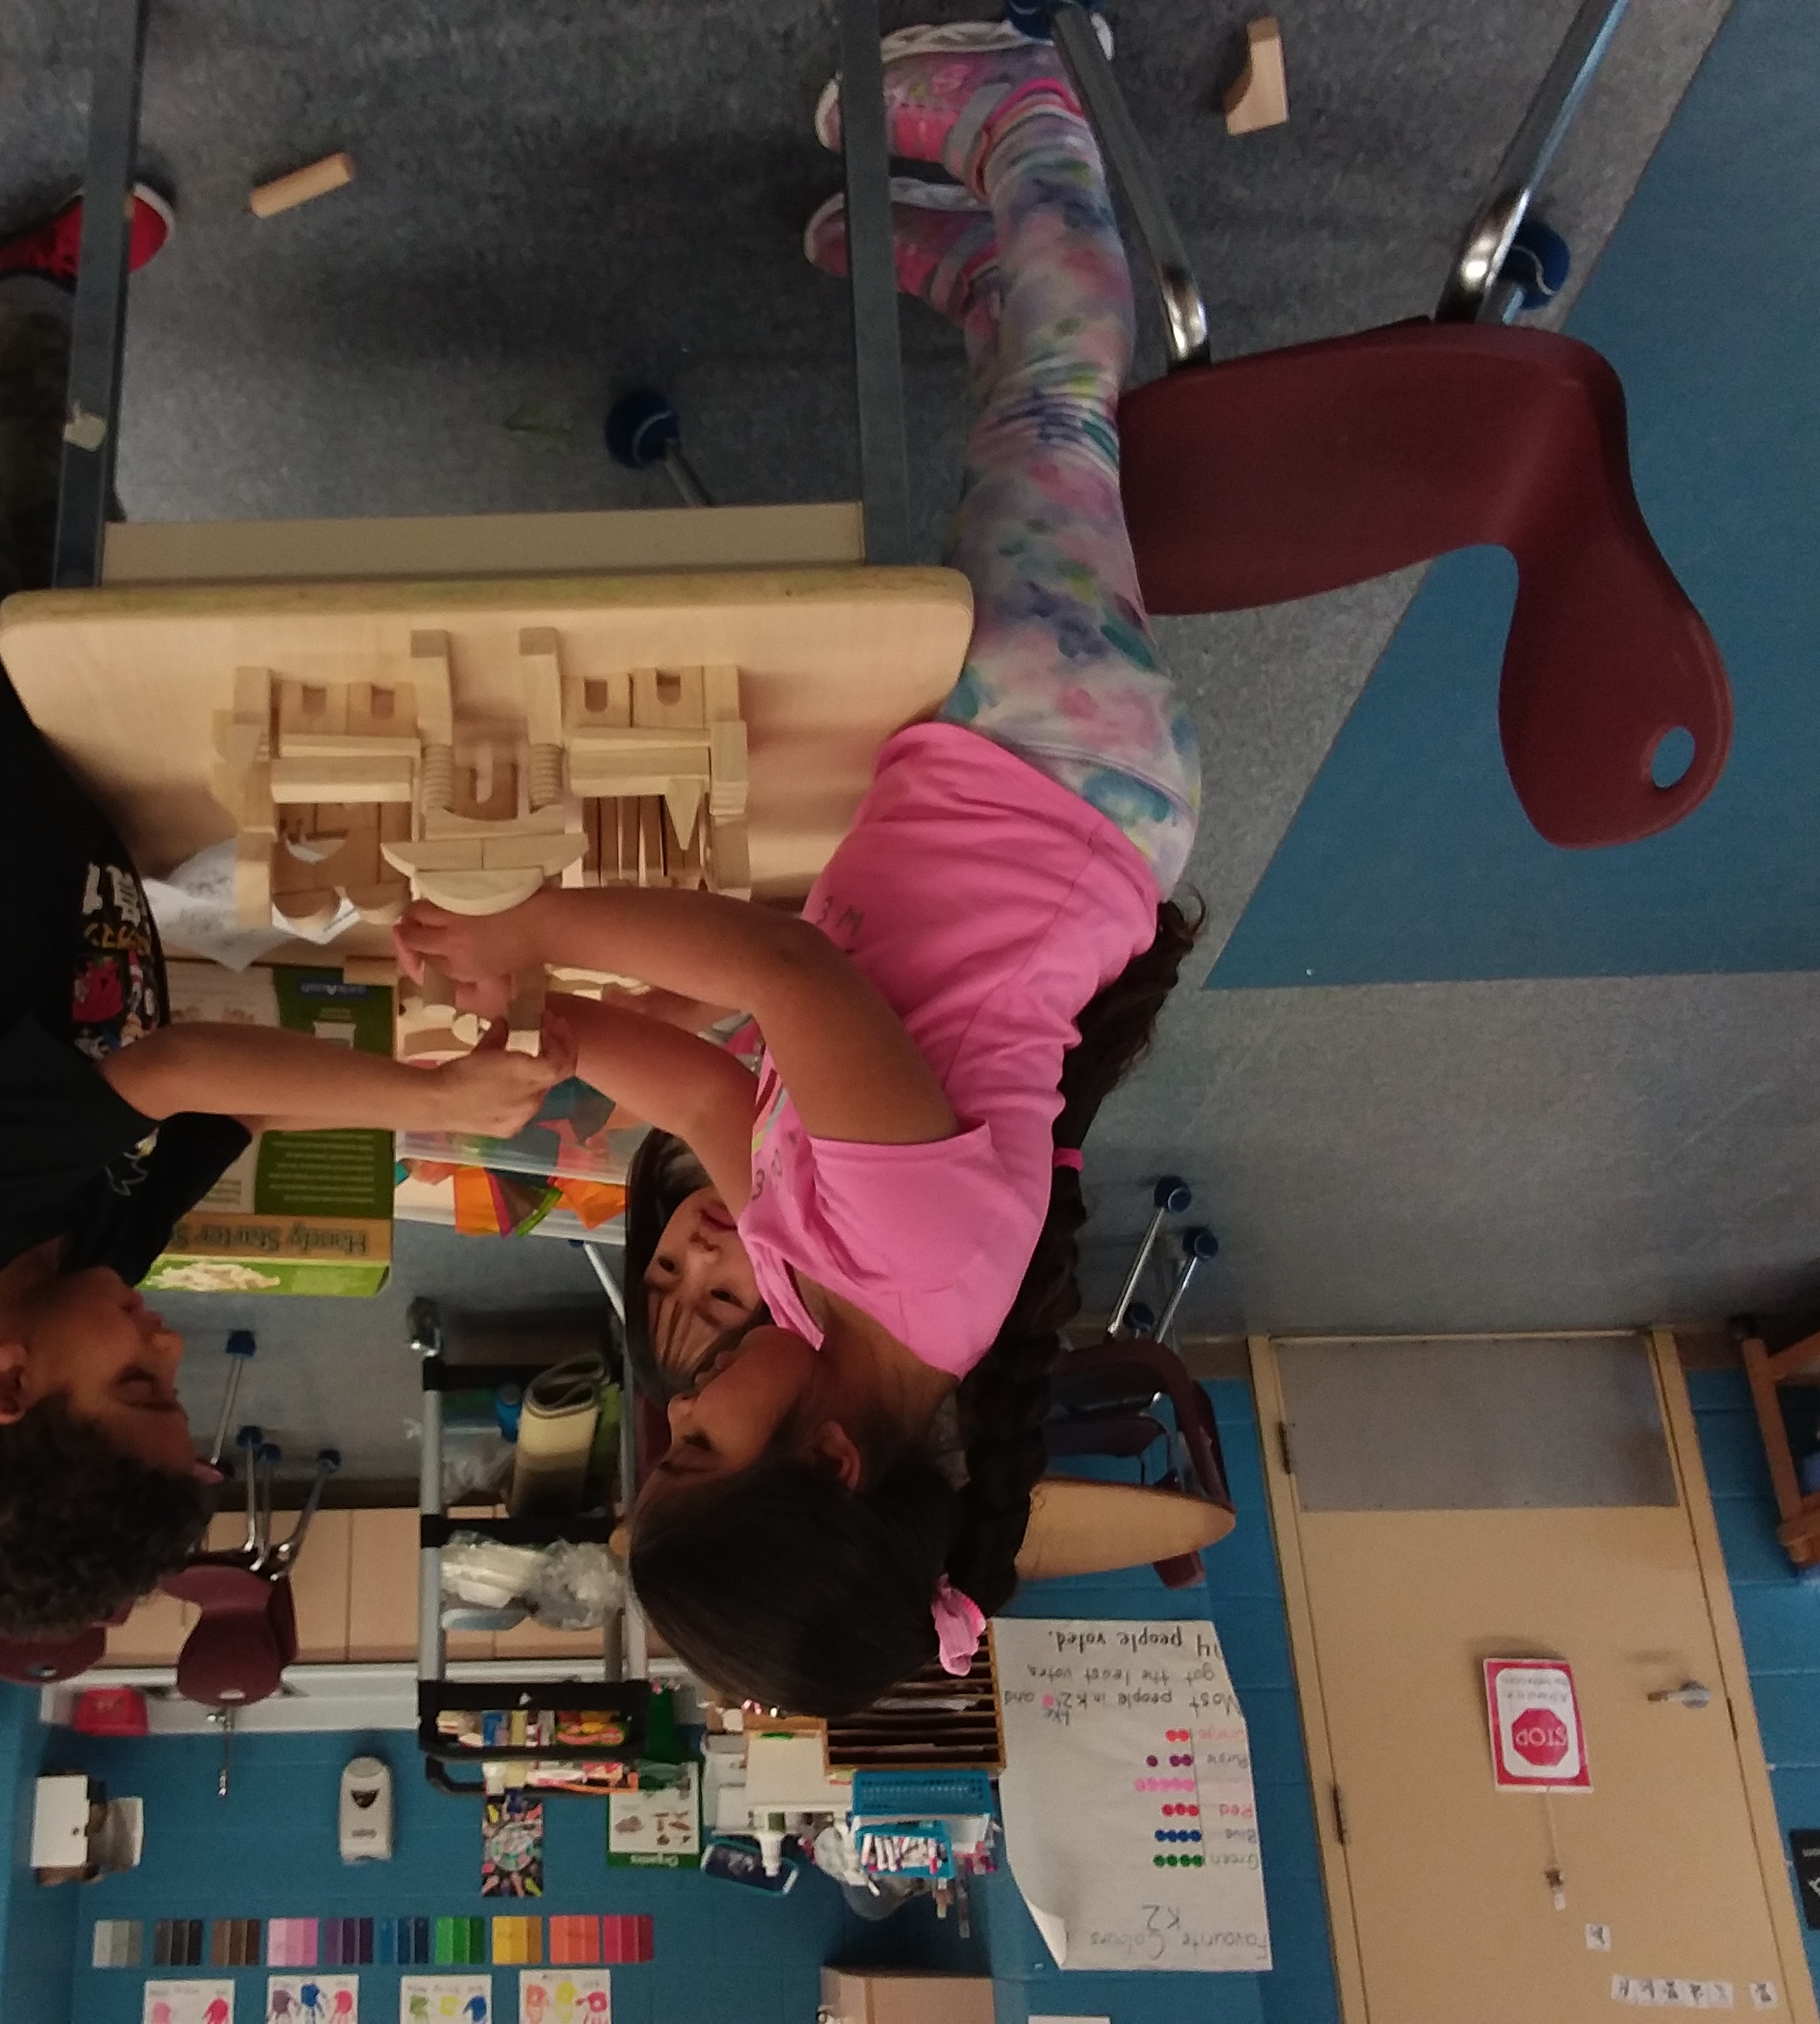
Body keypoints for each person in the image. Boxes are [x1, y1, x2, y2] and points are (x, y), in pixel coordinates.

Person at [396, 21, 1198, 1715]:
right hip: (1063, 772)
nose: (675, 1403)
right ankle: (1020, 111)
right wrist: (531, 922)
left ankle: (965, 273)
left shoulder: (822, 1310)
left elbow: (700, 1093)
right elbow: (784, 982)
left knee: (1007, 444)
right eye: (693, 1450)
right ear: (832, 1466)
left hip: (977, 795)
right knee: (1061, 407)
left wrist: (533, 1033)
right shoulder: (921, 1270)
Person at [0, 41, 573, 1643]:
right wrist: (412, 1018)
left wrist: (424, 1099)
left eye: (135, 1381)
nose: (164, 1346)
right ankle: (31, 304)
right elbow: (220, 1099)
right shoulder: (83, 1268)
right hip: (52, 813)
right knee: (62, 553)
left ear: (3, 1381)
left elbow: (168, 1074)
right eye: (170, 1388)